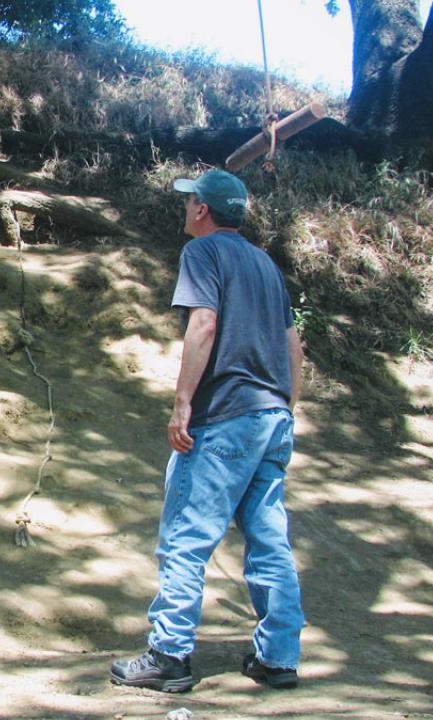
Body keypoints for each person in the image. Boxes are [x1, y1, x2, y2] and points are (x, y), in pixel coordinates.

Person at [110, 169, 305, 693]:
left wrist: (182, 404)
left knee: (184, 538)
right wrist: (289, 406)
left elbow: (204, 324)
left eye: (189, 199)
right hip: (272, 417)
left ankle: (170, 656)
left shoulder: (202, 254)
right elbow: (292, 341)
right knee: (269, 541)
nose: (186, 206)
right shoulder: (265, 264)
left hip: (226, 418)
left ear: (202, 210)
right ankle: (279, 659)